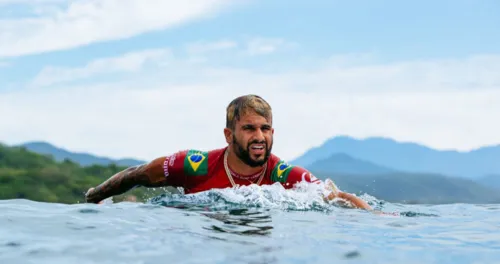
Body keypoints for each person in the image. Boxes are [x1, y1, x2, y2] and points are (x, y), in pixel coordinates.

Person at [85, 95, 372, 210]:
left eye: (265, 128)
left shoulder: (283, 175)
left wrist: (377, 219)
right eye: (249, 128)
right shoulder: (194, 165)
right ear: (228, 134)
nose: (259, 136)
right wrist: (94, 198)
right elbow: (137, 174)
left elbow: (337, 197)